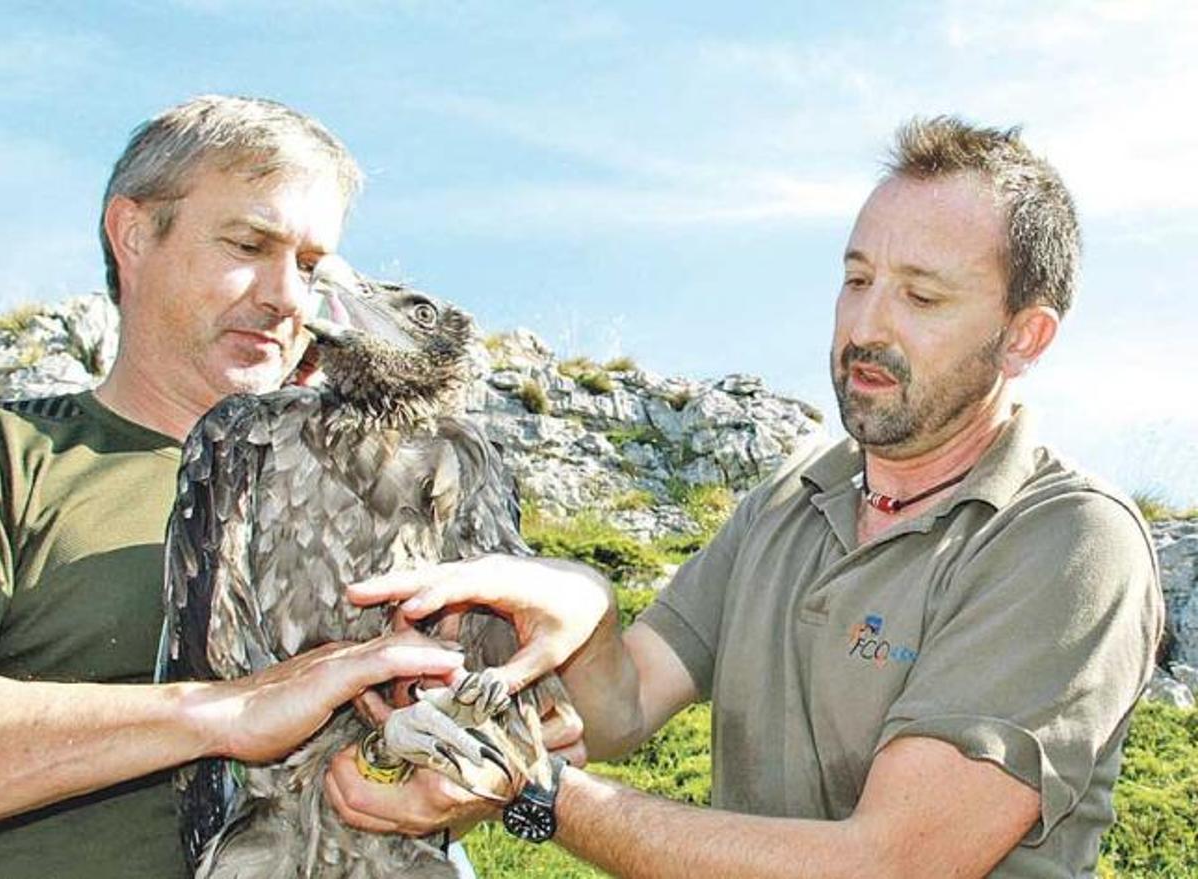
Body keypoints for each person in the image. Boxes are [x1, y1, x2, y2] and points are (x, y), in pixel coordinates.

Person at [328, 117, 1163, 877]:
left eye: (922, 295)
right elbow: (623, 708)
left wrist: (528, 790)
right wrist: (577, 606)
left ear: (1025, 336)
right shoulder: (791, 498)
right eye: (857, 278)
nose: (866, 325)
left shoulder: (1069, 541)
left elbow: (890, 865)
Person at [0, 96, 475, 878]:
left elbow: (581, 727)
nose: (289, 297)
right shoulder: (20, 458)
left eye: (312, 267)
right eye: (250, 244)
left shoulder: (402, 478)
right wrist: (228, 711)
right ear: (133, 233)